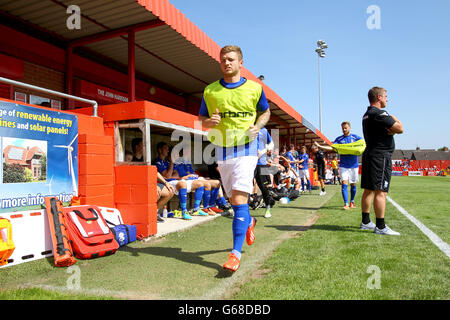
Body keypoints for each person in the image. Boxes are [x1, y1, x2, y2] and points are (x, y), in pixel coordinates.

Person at [198, 45, 271, 272]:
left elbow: (265, 112)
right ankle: (249, 221)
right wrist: (208, 122)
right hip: (222, 149)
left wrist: (257, 126)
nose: (226, 63)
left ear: (241, 63)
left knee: (239, 200)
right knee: (232, 199)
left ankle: (235, 254)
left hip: (247, 149)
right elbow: (202, 118)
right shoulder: (210, 91)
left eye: (231, 59)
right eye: (223, 60)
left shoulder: (255, 88)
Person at [360, 87, 403, 235]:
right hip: (380, 156)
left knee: (369, 190)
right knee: (381, 191)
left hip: (370, 154)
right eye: (385, 96)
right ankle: (380, 226)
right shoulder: (379, 113)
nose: (387, 99)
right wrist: (394, 119)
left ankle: (365, 222)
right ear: (379, 97)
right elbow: (400, 128)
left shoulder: (367, 114)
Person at [315, 122, 363, 210]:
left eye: (345, 128)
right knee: (344, 183)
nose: (344, 130)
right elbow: (332, 148)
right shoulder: (339, 139)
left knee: (353, 184)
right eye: (343, 128)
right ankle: (346, 203)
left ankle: (352, 202)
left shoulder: (356, 138)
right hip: (343, 165)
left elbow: (362, 146)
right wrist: (320, 146)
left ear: (349, 128)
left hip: (354, 165)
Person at [154, 141, 206, 220]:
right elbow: (168, 176)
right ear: (160, 150)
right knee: (182, 184)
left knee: (200, 184)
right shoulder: (159, 161)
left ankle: (196, 209)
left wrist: (171, 174)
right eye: (166, 149)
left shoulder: (168, 161)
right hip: (167, 183)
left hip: (175, 181)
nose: (167, 151)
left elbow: (176, 174)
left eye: (168, 149)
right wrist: (171, 166)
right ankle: (184, 211)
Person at [254, 127, 275, 218]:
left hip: (261, 163)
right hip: (248, 163)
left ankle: (268, 208)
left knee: (264, 188)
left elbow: (271, 144)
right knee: (244, 186)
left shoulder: (264, 130)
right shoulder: (245, 125)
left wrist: (262, 151)